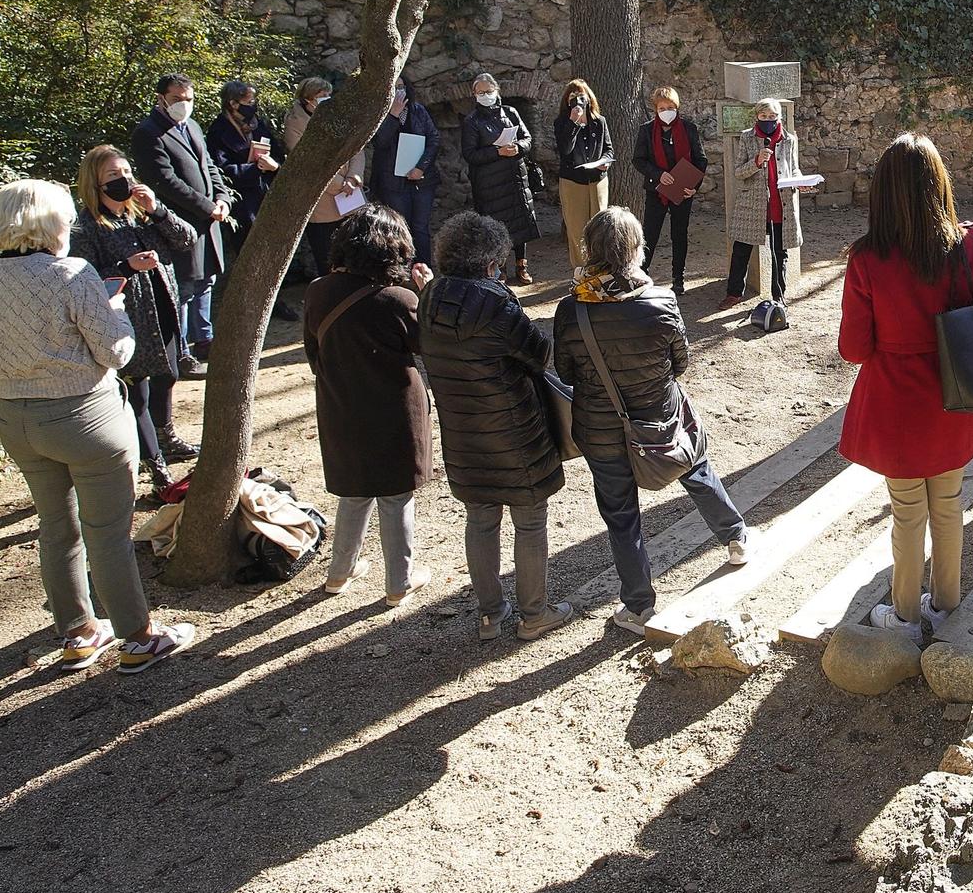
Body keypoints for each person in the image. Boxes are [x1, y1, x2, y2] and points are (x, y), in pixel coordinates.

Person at [0, 179, 197, 673]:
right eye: (64, 219)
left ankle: (79, 632)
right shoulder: (71, 273)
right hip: (87, 417)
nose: (69, 227)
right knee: (107, 533)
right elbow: (116, 351)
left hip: (18, 418)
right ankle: (138, 637)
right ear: (49, 223)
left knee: (56, 528)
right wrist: (116, 312)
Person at [553, 207, 751, 637]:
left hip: (601, 429)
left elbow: (566, 374)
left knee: (621, 515)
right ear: (635, 249)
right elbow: (679, 363)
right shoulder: (661, 301)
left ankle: (638, 605)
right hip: (661, 418)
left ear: (590, 251)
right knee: (696, 468)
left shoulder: (571, 310)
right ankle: (735, 537)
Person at [839, 135, 973, 642]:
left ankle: (903, 614)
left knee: (907, 515)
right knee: (949, 505)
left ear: (881, 192)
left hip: (897, 402)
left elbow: (854, 349)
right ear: (939, 183)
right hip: (955, 394)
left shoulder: (866, 259)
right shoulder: (968, 244)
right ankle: (946, 604)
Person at [415, 212, 573, 641]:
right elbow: (540, 355)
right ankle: (534, 614)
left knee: (480, 520)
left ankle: (489, 614)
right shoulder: (496, 303)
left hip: (463, 437)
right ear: (490, 263)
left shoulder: (428, 298)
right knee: (530, 520)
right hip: (515, 435)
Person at [303, 203, 436, 607]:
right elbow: (429, 343)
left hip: (341, 406)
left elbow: (313, 355)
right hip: (394, 411)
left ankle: (339, 573)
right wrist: (425, 292)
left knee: (354, 492)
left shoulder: (317, 291)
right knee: (396, 496)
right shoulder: (397, 299)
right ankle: (400, 580)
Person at [68, 145, 198, 498]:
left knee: (168, 375)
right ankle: (157, 470)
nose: (123, 180)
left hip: (164, 309)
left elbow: (187, 238)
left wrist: (158, 210)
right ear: (94, 182)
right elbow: (83, 278)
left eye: (126, 172)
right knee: (137, 394)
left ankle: (166, 437)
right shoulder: (85, 228)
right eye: (113, 175)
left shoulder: (141, 213)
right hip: (127, 319)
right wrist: (127, 266)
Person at [130, 72, 231, 383]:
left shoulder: (194, 126)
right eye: (177, 100)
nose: (183, 105)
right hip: (177, 224)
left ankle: (205, 341)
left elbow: (209, 166)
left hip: (209, 220)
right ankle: (183, 353)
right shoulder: (149, 133)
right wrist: (206, 206)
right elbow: (165, 181)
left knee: (206, 282)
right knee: (183, 289)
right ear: (161, 98)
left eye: (188, 99)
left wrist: (223, 198)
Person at [205, 78, 300, 323]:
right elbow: (220, 169)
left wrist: (274, 165)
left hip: (267, 197)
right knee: (250, 255)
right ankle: (256, 305)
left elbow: (277, 154)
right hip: (242, 203)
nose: (253, 105)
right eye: (248, 101)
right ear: (232, 104)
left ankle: (275, 299)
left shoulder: (258, 125)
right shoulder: (218, 131)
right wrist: (255, 169)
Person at [724, 97, 810, 328]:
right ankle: (734, 293)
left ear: (779, 117)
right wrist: (756, 160)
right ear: (757, 117)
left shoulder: (789, 140)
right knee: (742, 248)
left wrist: (800, 181)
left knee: (779, 252)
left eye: (773, 117)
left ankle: (777, 296)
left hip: (780, 204)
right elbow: (739, 172)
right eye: (764, 116)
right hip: (753, 205)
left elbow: (793, 168)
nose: (768, 121)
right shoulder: (747, 137)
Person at [459, 73, 542, 285]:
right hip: (490, 184)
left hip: (515, 179)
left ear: (497, 91)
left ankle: (521, 265)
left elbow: (527, 138)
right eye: (481, 92)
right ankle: (500, 267)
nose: (486, 95)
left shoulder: (510, 112)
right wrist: (497, 153)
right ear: (474, 94)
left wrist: (518, 148)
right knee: (497, 227)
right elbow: (470, 154)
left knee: (520, 223)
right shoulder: (472, 121)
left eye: (489, 91)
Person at [280, 76, 365, 276]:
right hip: (322, 199)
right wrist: (339, 185)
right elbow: (308, 164)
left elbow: (357, 149)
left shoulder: (338, 116)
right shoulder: (295, 124)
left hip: (350, 195)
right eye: (321, 96)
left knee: (355, 249)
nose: (326, 99)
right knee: (327, 256)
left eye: (328, 95)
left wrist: (353, 179)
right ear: (307, 99)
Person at [631, 86, 708, 295]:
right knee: (650, 234)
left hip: (682, 192)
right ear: (656, 109)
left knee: (679, 234)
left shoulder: (689, 129)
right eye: (662, 107)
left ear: (677, 107)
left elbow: (700, 160)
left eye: (671, 107)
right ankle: (641, 275)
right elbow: (638, 160)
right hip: (656, 191)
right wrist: (658, 174)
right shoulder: (646, 130)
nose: (667, 111)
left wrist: (693, 187)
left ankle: (678, 278)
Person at [369, 77, 441, 267]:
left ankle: (424, 270)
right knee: (400, 227)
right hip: (393, 183)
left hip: (421, 181)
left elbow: (433, 139)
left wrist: (421, 167)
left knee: (420, 228)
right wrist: (393, 115)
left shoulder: (418, 110)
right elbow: (379, 143)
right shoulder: (378, 114)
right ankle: (403, 269)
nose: (398, 91)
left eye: (401, 87)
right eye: (393, 88)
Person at [553, 79, 613, 271]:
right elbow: (565, 150)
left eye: (581, 96)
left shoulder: (599, 121)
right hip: (573, 182)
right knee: (577, 228)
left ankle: (600, 267)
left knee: (599, 226)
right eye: (573, 97)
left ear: (588, 98)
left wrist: (605, 162)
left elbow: (609, 150)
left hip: (598, 181)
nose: (578, 101)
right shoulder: (562, 122)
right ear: (567, 101)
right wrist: (574, 123)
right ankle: (581, 270)